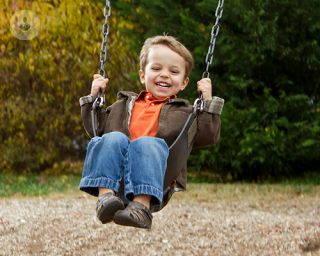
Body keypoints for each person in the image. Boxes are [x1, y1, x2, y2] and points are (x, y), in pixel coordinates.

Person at [79, 35, 224, 229]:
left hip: (156, 175)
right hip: (118, 172)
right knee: (111, 138)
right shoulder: (121, 106)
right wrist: (93, 99)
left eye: (173, 71)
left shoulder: (185, 113)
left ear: (183, 83)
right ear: (142, 75)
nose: (164, 74)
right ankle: (106, 198)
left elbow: (207, 135)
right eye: (156, 68)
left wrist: (207, 102)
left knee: (147, 143)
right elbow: (96, 130)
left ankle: (141, 208)